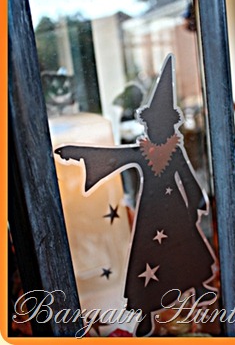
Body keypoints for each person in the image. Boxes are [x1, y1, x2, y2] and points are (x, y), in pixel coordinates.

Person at [56, 56, 216, 336]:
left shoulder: (175, 151)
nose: (156, 129)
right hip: (151, 215)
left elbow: (188, 179)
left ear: (169, 126)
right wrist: (79, 153)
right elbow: (114, 157)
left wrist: (197, 201)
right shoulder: (142, 152)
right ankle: (145, 311)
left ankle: (198, 286)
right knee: (148, 263)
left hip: (175, 213)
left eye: (161, 125)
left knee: (187, 249)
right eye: (152, 125)